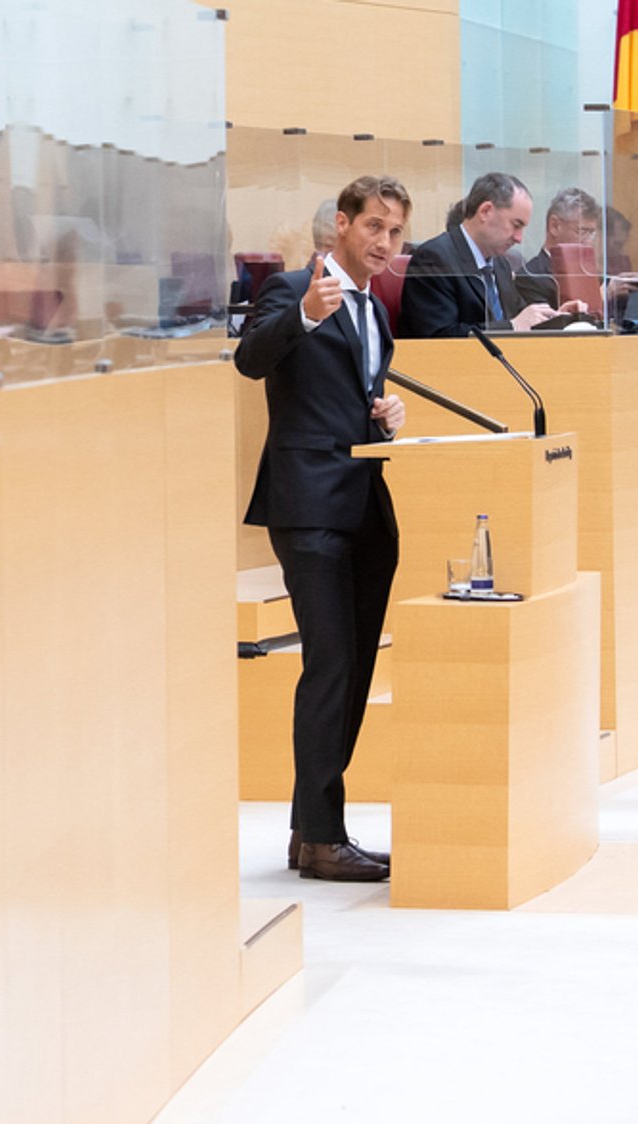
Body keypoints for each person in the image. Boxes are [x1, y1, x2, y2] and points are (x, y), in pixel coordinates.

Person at [234, 174, 412, 883]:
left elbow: (343, 390)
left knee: (354, 667)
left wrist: (383, 413)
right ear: (341, 225)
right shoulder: (290, 289)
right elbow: (252, 361)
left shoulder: (374, 310)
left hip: (364, 505)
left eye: (396, 233)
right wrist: (306, 312)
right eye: (375, 227)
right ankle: (323, 837)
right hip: (309, 507)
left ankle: (310, 830)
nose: (386, 244)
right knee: (330, 667)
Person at [399, 173, 580, 337]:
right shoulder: (434, 258)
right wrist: (511, 327)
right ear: (485, 211)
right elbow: (439, 336)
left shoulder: (500, 263)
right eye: (516, 225)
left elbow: (521, 317)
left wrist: (554, 318)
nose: (519, 238)